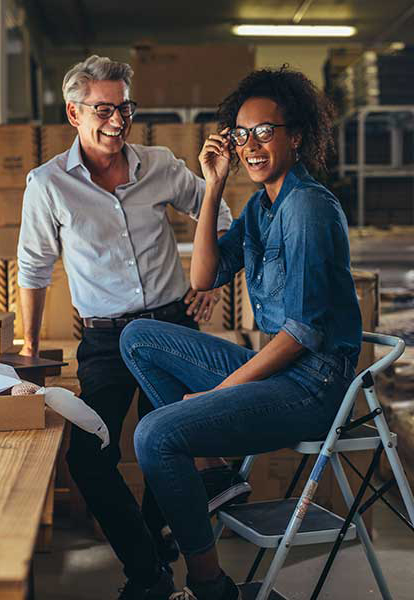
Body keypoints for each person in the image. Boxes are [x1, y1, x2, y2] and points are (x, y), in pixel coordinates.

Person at [120, 66, 362, 600]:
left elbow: (300, 335)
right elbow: (203, 277)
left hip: (313, 386)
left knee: (156, 435)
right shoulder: (262, 205)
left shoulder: (308, 209)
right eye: (241, 133)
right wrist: (212, 187)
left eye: (265, 131)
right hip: (280, 370)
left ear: (295, 136)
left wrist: (223, 392)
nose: (251, 145)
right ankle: (214, 474)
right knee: (139, 335)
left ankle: (209, 587)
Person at [16, 55, 234, 599]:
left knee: (168, 442)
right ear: (74, 112)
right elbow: (34, 267)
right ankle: (149, 564)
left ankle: (152, 557)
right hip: (106, 339)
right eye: (104, 109)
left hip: (170, 326)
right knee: (90, 457)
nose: (118, 121)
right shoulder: (47, 185)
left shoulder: (159, 164)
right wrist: (28, 347)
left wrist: (208, 284)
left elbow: (221, 216)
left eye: (125, 108)